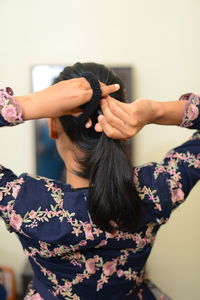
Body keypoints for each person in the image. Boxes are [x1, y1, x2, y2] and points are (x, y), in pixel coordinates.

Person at [0, 62, 199, 300]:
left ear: (52, 127)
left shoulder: (21, 201)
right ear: (127, 124)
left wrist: (25, 105)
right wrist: (156, 111)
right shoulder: (157, 188)